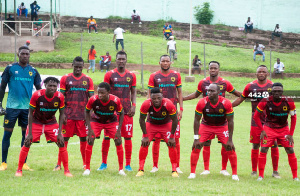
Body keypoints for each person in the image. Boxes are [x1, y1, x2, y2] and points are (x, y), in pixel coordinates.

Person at [183, 61, 241, 176]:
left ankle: (224, 169)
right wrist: (182, 98)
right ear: (208, 69)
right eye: (211, 68)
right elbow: (195, 95)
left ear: (219, 69)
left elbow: (237, 94)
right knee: (204, 144)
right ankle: (206, 169)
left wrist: (230, 105)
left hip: (222, 121)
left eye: (215, 68)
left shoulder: (225, 83)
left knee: (226, 145)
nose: (213, 70)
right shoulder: (203, 83)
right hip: (207, 119)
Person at [15, 77, 72, 177]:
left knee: (61, 143)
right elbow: (30, 113)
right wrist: (30, 133)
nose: (52, 88)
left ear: (57, 87)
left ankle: (66, 171)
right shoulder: (37, 95)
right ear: (45, 85)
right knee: (27, 142)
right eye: (50, 85)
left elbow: (62, 114)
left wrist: (60, 133)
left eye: (54, 86)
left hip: (51, 122)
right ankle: (19, 170)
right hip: (36, 122)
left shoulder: (60, 97)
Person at [232, 65, 280, 178]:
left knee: (274, 144)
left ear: (267, 74)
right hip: (255, 120)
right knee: (255, 145)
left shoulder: (273, 86)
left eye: (264, 72)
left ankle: (275, 171)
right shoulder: (250, 86)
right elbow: (240, 99)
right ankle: (254, 171)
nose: (261, 73)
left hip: (271, 120)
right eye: (259, 72)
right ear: (256, 73)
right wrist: (228, 106)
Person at [0, 46, 41, 171]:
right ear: (18, 54)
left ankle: (24, 163)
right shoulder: (10, 68)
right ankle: (3, 162)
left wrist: (41, 106)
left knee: (26, 135)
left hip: (27, 109)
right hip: (12, 107)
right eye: (22, 54)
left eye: (27, 54)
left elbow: (40, 90)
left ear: (29, 56)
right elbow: (2, 87)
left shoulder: (33, 71)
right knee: (7, 134)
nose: (25, 56)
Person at [188, 83, 239, 181]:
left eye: (212, 91)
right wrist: (195, 138)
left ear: (218, 92)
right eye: (208, 91)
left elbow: (231, 121)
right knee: (197, 146)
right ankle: (192, 173)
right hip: (206, 125)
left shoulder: (226, 103)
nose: (209, 93)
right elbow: (196, 120)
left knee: (229, 147)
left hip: (222, 126)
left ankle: (234, 174)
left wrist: (230, 139)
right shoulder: (202, 102)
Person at [53, 56, 94, 172]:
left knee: (83, 140)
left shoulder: (88, 79)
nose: (78, 69)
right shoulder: (65, 78)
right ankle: (59, 164)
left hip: (82, 117)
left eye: (80, 67)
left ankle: (85, 164)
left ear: (83, 67)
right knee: (63, 140)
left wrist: (89, 114)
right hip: (68, 116)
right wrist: (63, 113)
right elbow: (61, 98)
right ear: (72, 65)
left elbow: (92, 100)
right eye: (76, 67)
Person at [99, 51, 136, 171]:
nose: (121, 61)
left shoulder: (131, 75)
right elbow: (104, 93)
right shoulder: (109, 74)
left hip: (127, 110)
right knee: (107, 137)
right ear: (115, 60)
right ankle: (104, 163)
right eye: (119, 59)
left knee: (127, 137)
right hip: (111, 111)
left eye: (123, 59)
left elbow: (133, 91)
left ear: (126, 60)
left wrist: (134, 105)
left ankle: (128, 164)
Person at [254, 83, 298, 181]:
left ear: (282, 92)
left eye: (279, 91)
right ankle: (261, 175)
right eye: (275, 91)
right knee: (264, 149)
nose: (277, 93)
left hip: (284, 129)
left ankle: (295, 177)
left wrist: (291, 134)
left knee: (290, 150)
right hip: (269, 128)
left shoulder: (289, 101)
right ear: (272, 92)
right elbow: (256, 116)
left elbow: (293, 117)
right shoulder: (265, 101)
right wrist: (262, 130)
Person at [148, 55, 183, 174]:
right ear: (159, 62)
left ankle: (177, 166)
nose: (165, 63)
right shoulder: (154, 76)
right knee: (156, 139)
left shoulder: (176, 75)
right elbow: (149, 94)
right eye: (163, 61)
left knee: (175, 139)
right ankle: (155, 166)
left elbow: (179, 92)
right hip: (157, 112)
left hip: (172, 112)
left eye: (167, 61)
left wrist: (181, 109)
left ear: (171, 62)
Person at [83, 82, 126, 176]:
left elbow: (121, 113)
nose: (100, 95)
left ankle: (121, 169)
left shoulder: (115, 100)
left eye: (102, 93)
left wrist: (119, 130)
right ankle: (87, 168)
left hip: (111, 121)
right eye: (98, 92)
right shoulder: (93, 99)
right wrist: (89, 129)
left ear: (108, 92)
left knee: (118, 141)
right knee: (90, 140)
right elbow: (86, 111)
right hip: (96, 120)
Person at [136, 87, 179, 177]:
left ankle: (174, 170)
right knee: (144, 143)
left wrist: (172, 136)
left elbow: (175, 120)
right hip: (151, 124)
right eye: (154, 98)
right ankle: (140, 169)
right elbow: (141, 119)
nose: (156, 100)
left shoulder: (168, 104)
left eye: (158, 98)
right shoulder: (146, 104)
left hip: (166, 124)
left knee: (171, 144)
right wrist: (145, 135)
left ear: (162, 97)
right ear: (150, 98)